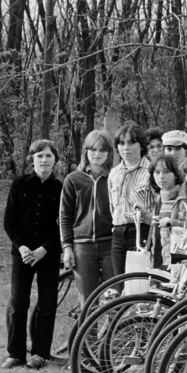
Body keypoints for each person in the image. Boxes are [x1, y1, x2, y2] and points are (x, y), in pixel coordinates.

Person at [4, 139, 63, 368]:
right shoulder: (19, 184)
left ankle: (40, 353)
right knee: (18, 302)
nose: (44, 160)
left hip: (48, 252)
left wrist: (44, 249)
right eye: (39, 156)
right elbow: (9, 220)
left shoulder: (60, 188)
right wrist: (22, 247)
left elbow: (64, 224)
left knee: (47, 303)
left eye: (48, 156)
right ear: (32, 159)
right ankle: (15, 353)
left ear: (55, 160)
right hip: (23, 252)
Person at [59, 129, 114, 306]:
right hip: (82, 246)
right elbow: (65, 215)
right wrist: (67, 247)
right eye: (93, 150)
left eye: (102, 150)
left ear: (109, 153)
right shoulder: (73, 179)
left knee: (113, 298)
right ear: (86, 151)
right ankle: (87, 335)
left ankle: (112, 334)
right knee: (88, 301)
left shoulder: (115, 177)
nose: (97, 154)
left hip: (111, 244)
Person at [107, 123, 153, 279]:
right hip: (119, 232)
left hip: (142, 230)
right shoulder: (114, 173)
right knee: (120, 282)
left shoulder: (151, 171)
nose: (126, 147)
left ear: (141, 146)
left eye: (131, 142)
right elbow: (112, 206)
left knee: (139, 283)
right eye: (121, 143)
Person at [148, 154, 187, 268]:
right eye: (157, 172)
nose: (161, 176)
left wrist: (173, 222)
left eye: (166, 172)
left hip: (177, 258)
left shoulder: (183, 197)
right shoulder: (159, 197)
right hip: (159, 256)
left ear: (176, 174)